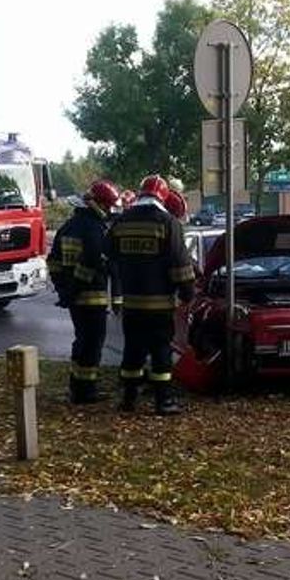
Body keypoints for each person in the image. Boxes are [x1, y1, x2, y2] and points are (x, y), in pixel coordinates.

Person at [107, 174, 195, 415]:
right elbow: (181, 266)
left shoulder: (121, 222)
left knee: (132, 351)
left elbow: (110, 257)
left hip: (132, 304)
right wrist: (188, 294)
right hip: (159, 305)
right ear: (163, 197)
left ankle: (128, 399)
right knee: (160, 353)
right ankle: (163, 401)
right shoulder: (168, 223)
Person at [46, 179, 121, 405]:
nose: (109, 211)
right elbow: (91, 264)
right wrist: (73, 289)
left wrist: (63, 289)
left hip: (74, 300)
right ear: (98, 204)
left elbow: (53, 262)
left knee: (81, 341)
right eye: (108, 206)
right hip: (91, 298)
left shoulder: (68, 227)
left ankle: (76, 386)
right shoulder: (94, 229)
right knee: (92, 344)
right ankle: (86, 392)